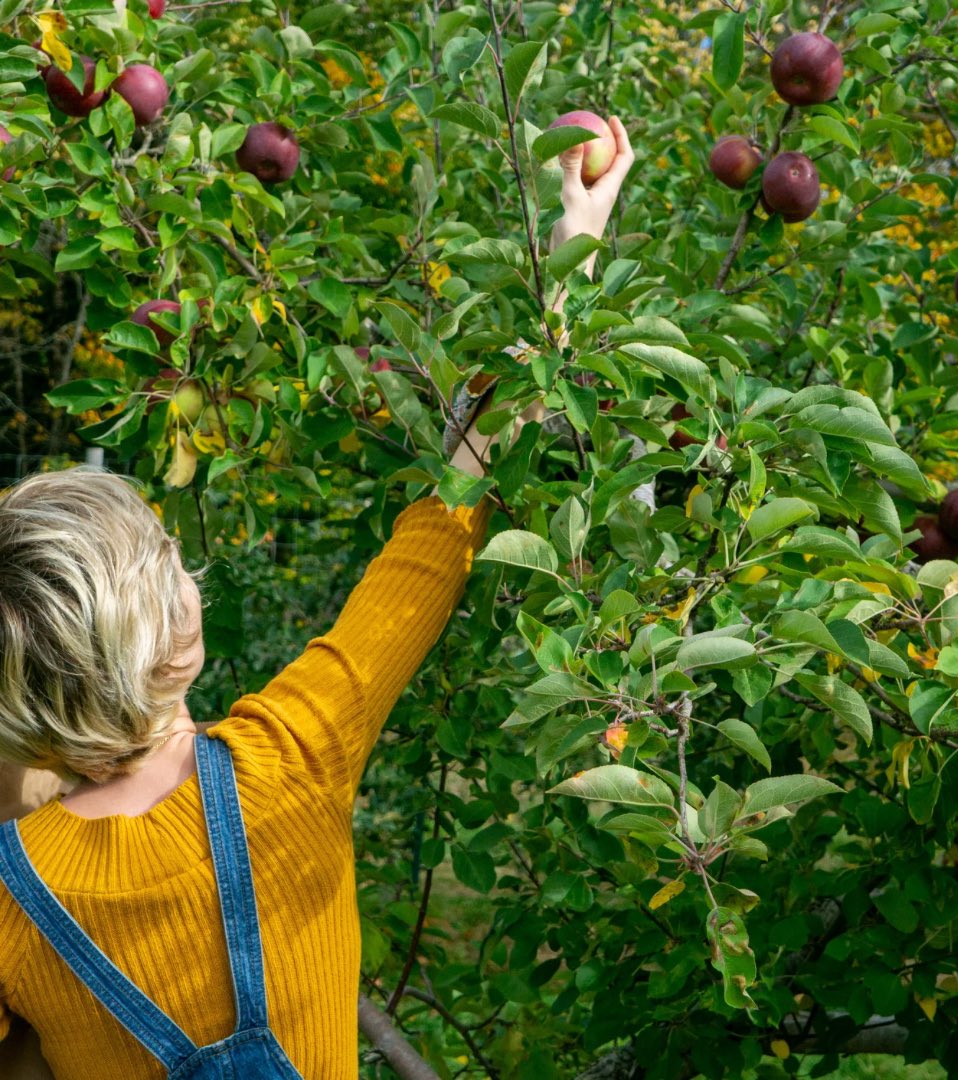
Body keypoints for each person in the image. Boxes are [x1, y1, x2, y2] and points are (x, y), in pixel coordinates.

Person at [0, 118, 634, 1079]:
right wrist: (568, 254)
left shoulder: (14, 903)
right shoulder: (293, 755)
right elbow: (433, 546)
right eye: (171, 561)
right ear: (174, 637)